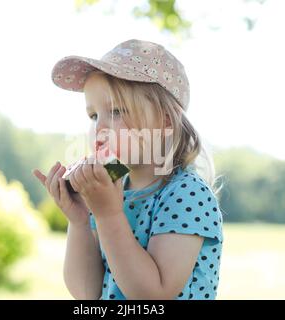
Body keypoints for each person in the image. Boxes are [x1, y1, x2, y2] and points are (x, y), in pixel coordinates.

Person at [33, 39, 224, 300]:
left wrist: (109, 215)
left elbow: (153, 295)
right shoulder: (112, 191)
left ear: (165, 120)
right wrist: (79, 221)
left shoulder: (187, 194)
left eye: (116, 112)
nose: (99, 128)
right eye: (93, 115)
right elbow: (87, 293)